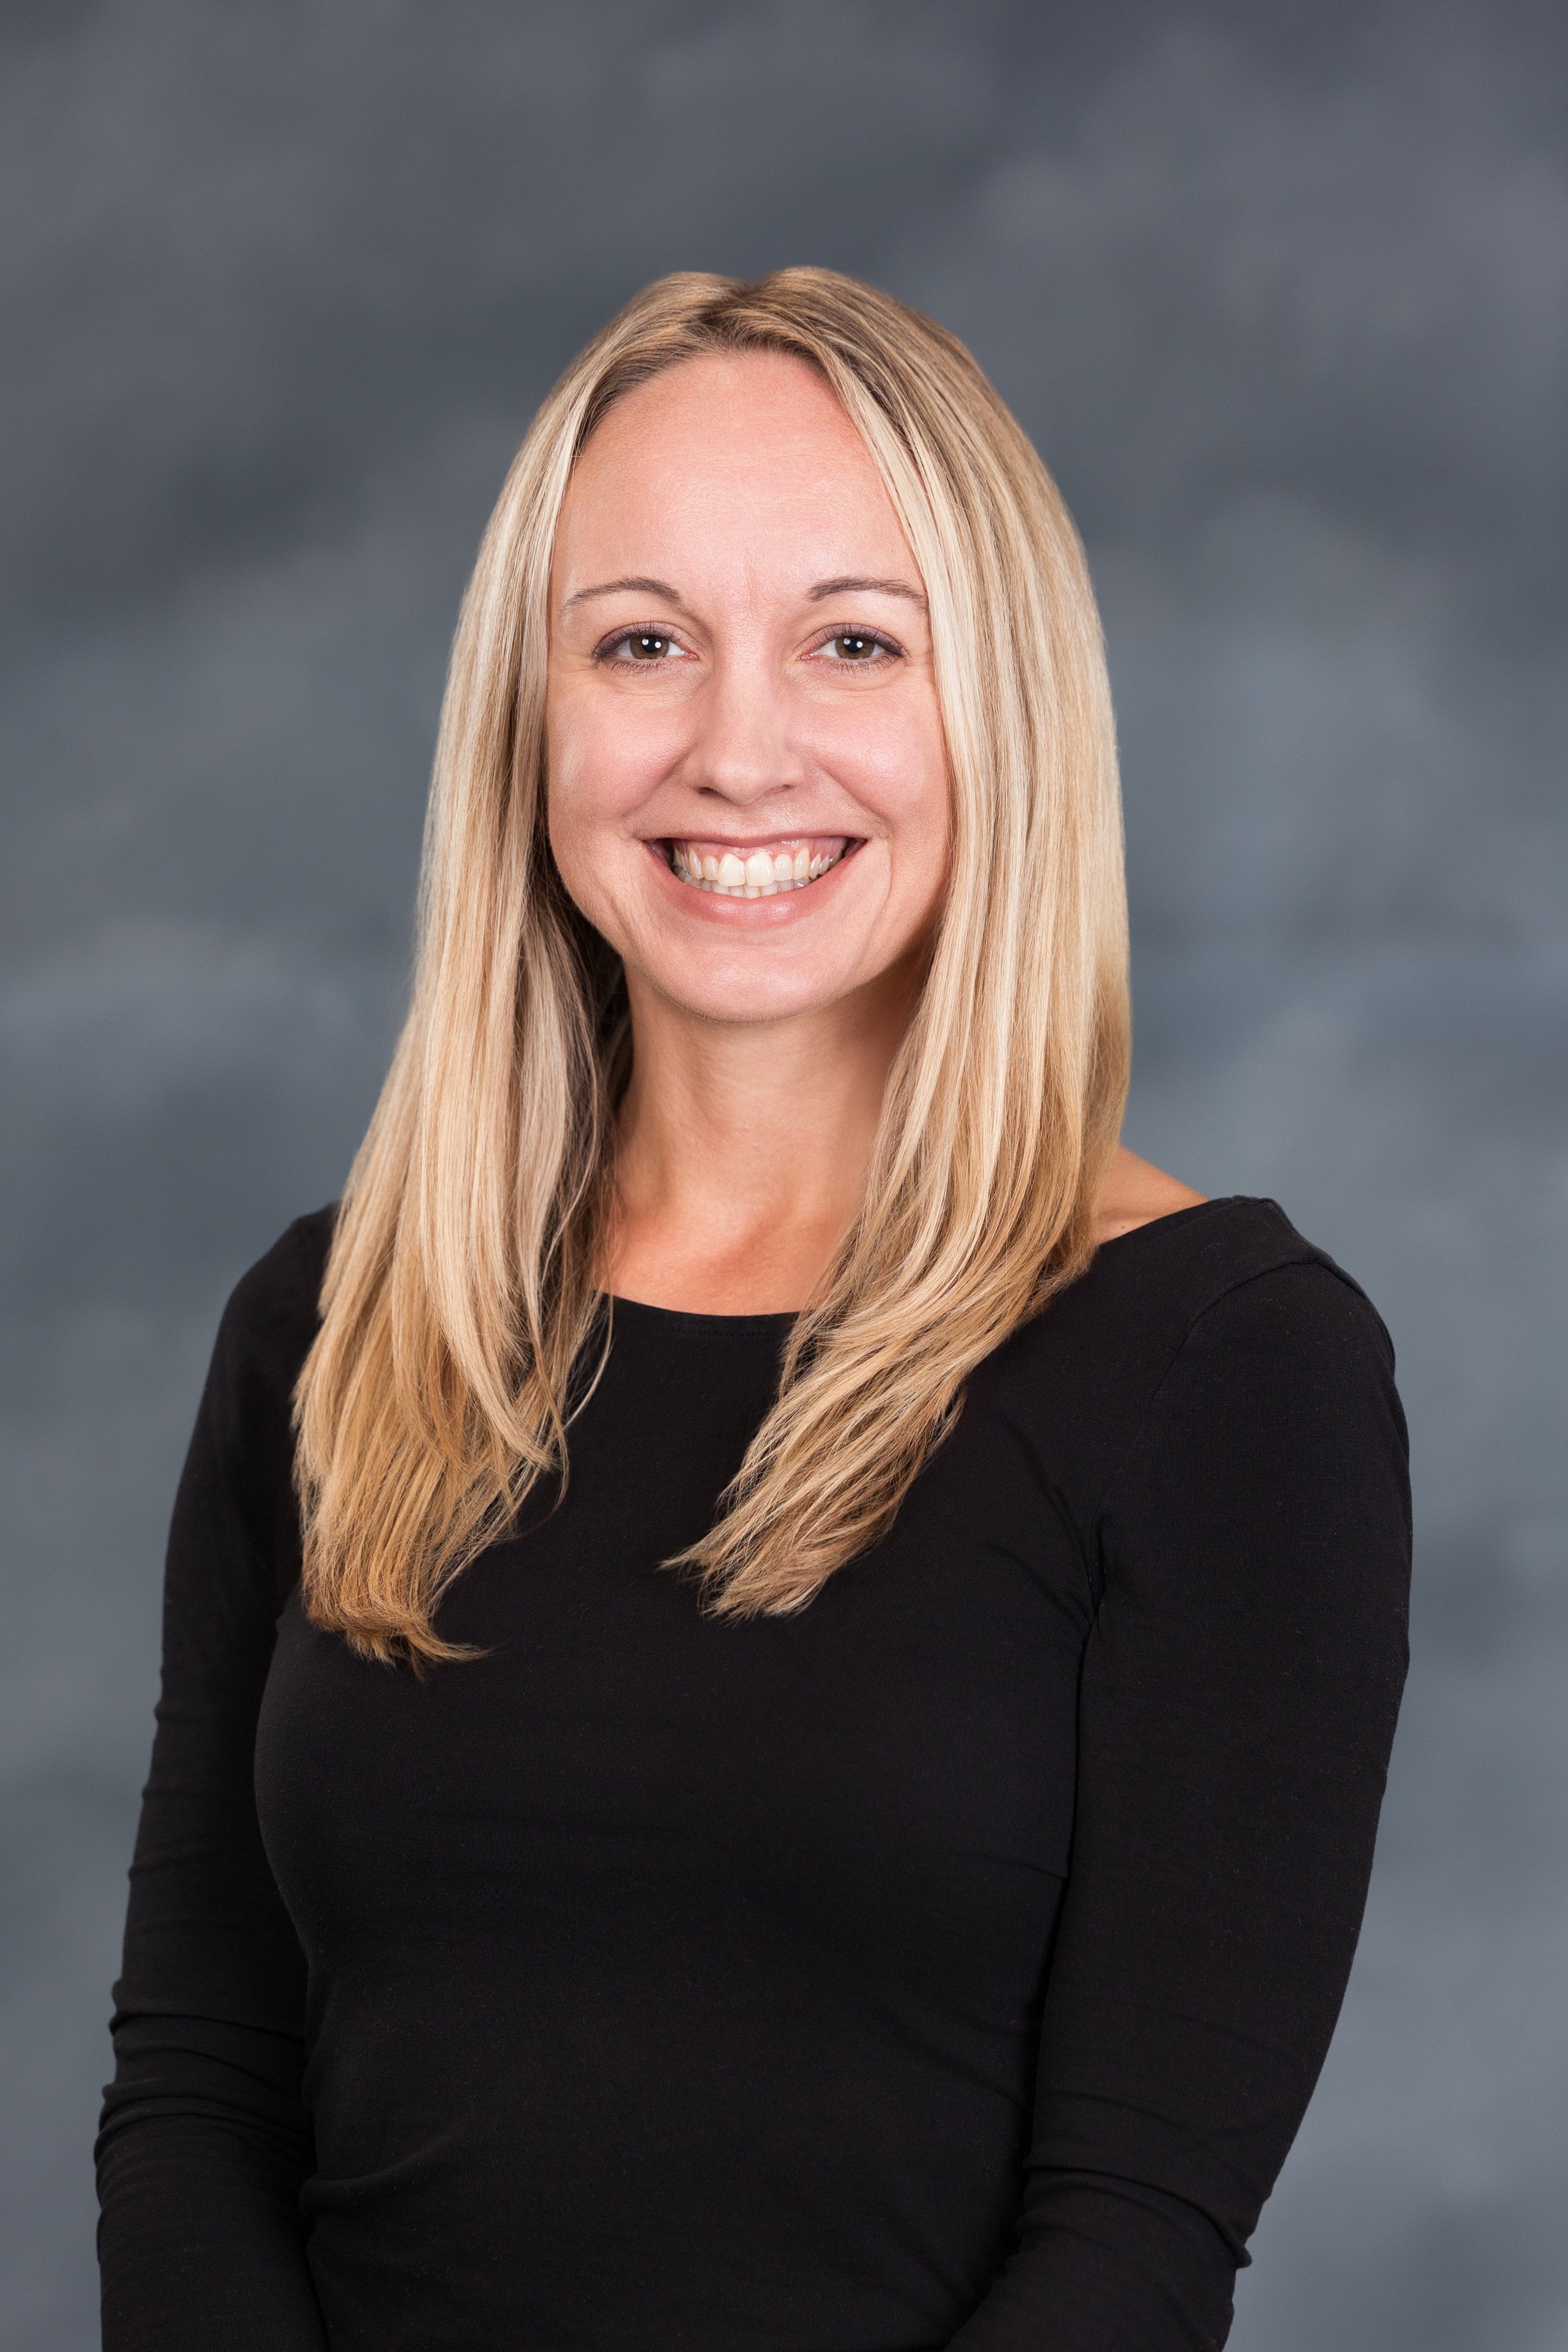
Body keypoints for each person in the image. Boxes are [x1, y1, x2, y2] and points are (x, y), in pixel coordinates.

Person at [95, 269, 1411, 2351]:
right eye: (641, 643)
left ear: (1000, 709)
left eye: (853, 643)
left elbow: (1137, 2229)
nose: (736, 748)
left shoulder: (1226, 1364)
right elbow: (194, 2094)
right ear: (532, 720)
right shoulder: (340, 1319)